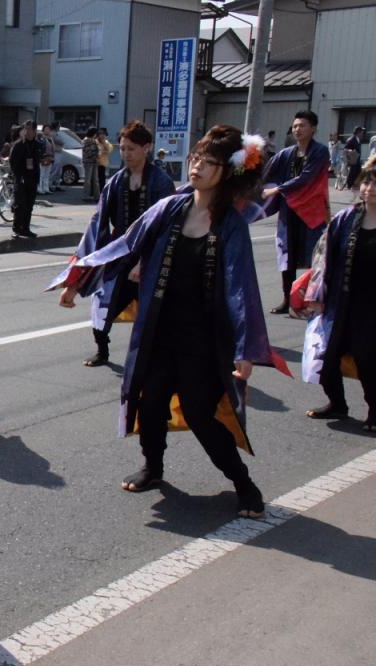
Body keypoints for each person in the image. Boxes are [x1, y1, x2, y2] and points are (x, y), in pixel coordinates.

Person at [50, 125, 290, 518]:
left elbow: (241, 287)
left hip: (202, 338)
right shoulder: (170, 208)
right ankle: (153, 467)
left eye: (208, 163)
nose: (196, 166)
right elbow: (122, 245)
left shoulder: (228, 224)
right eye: (196, 158)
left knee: (199, 412)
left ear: (226, 172)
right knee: (151, 398)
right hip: (160, 328)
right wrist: (76, 283)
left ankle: (243, 482)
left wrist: (246, 348)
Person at [58, 120, 176, 367]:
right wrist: (75, 279)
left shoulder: (161, 182)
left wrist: (144, 261)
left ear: (147, 148)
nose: (126, 154)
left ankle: (155, 357)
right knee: (103, 301)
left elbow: (166, 228)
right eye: (122, 148)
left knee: (157, 309)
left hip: (152, 252)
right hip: (119, 250)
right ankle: (102, 350)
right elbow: (97, 225)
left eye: (131, 148)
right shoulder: (116, 182)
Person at [301, 159, 376, 431]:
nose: (370, 188)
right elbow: (322, 257)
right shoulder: (347, 218)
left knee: (367, 358)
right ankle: (338, 404)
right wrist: (315, 293)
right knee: (326, 357)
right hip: (341, 300)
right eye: (367, 182)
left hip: (372, 307)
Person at [261, 110, 330, 315]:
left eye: (303, 125)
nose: (297, 129)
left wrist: (277, 189)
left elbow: (307, 178)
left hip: (311, 210)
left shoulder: (320, 152)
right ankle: (287, 300)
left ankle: (312, 301)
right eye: (295, 126)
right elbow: (266, 173)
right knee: (286, 255)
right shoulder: (286, 154)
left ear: (313, 128)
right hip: (289, 211)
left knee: (315, 257)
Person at [8, 120, 42, 238]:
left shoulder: (37, 145)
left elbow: (40, 159)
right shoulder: (18, 145)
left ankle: (26, 228)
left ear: (34, 131)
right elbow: (12, 162)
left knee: (29, 205)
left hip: (33, 178)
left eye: (29, 129)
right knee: (20, 204)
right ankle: (17, 228)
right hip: (21, 178)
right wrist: (18, 175)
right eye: (25, 129)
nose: (26, 132)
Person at [82, 128, 100, 201]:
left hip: (93, 161)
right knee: (89, 180)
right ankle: (86, 196)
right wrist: (96, 155)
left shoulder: (92, 140)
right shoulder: (87, 140)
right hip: (89, 161)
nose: (96, 135)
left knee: (94, 180)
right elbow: (88, 151)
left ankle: (97, 196)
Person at [343, 126, 364, 190]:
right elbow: (345, 149)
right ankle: (349, 185)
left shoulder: (358, 139)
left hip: (357, 159)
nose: (362, 133)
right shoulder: (351, 139)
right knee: (352, 172)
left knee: (358, 172)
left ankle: (356, 185)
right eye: (361, 131)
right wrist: (351, 151)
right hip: (352, 159)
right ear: (358, 132)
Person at [38, 124, 55, 195]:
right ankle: (40, 188)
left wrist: (51, 140)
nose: (47, 130)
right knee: (41, 174)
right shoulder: (40, 137)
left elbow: (53, 148)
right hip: (43, 158)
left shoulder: (50, 138)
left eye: (49, 129)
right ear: (43, 130)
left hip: (49, 157)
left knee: (47, 174)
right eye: (46, 129)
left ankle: (46, 188)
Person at [96, 128, 114, 195]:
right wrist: (103, 151)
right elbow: (98, 152)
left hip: (103, 163)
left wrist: (104, 143)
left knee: (102, 179)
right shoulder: (96, 142)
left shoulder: (106, 142)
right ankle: (94, 192)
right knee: (96, 180)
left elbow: (110, 149)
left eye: (104, 134)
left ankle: (102, 192)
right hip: (96, 163)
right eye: (101, 134)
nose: (102, 136)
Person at [48, 122, 65, 192]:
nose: (59, 126)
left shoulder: (57, 133)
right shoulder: (53, 134)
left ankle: (57, 184)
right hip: (55, 153)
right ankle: (50, 184)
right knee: (54, 169)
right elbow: (60, 141)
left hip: (59, 152)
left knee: (59, 170)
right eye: (59, 125)